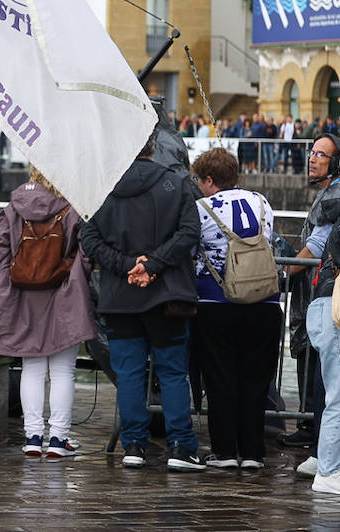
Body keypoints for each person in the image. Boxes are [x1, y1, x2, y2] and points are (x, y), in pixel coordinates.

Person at [80, 129, 204, 471]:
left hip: (120, 296)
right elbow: (190, 232)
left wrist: (125, 266)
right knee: (173, 372)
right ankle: (182, 445)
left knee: (130, 374)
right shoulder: (175, 184)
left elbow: (88, 236)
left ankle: (133, 445)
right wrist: (153, 264)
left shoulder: (103, 188)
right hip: (167, 295)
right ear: (154, 148)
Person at [0, 168, 93, 459]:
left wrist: (16, 269)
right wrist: (76, 274)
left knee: (32, 368)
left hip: (23, 296)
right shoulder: (75, 204)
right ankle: (58, 439)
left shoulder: (16, 205)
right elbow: (87, 251)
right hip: (65, 293)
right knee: (63, 370)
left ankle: (33, 436)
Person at [188, 148, 278, 471]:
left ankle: (225, 451)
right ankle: (253, 452)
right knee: (255, 380)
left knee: (220, 378)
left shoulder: (201, 208)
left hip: (217, 303)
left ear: (210, 180)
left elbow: (193, 250)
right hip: (265, 303)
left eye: (199, 180)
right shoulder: (262, 203)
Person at [297, 134, 340, 479]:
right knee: (326, 381)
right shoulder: (330, 198)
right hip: (327, 298)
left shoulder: (333, 198)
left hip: (324, 295)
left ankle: (322, 461)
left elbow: (318, 246)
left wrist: (282, 268)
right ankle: (322, 460)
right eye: (312, 152)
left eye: (321, 155)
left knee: (328, 384)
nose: (313, 159)